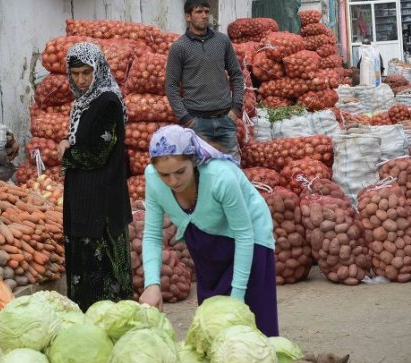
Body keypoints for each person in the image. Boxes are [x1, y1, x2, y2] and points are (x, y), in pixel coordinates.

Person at [138, 125, 278, 336]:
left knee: (253, 318)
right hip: (205, 235)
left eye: (180, 172)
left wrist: (238, 298)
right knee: (212, 319)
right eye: (164, 175)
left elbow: (244, 234)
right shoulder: (153, 179)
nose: (173, 181)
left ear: (193, 160)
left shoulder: (220, 177)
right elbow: (152, 235)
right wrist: (152, 284)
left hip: (249, 237)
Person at [56, 42, 133, 311]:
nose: (81, 79)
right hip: (83, 197)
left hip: (102, 198)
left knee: (103, 272)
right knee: (84, 265)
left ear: (98, 70)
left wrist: (65, 153)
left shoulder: (107, 101)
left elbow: (97, 153)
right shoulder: (82, 103)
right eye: (75, 74)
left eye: (86, 73)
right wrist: (70, 144)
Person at [165, 0, 244, 159]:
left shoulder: (222, 41)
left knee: (233, 168)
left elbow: (236, 74)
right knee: (202, 170)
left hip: (225, 120)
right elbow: (171, 86)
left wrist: (236, 107)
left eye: (207, 12)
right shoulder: (179, 47)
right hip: (197, 122)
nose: (204, 16)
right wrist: (186, 119)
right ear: (188, 16)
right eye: (199, 12)